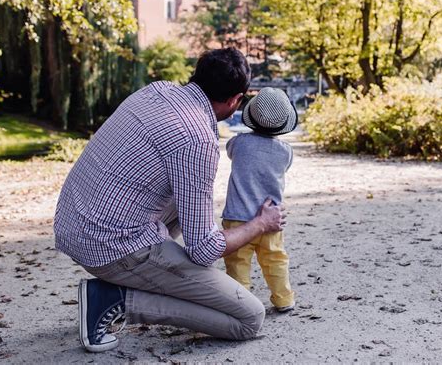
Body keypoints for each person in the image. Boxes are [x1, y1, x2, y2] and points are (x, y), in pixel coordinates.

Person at [53, 48, 286, 353]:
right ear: (235, 100)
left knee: (188, 195)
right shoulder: (198, 139)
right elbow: (205, 250)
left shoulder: (157, 90)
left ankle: (153, 274)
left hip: (74, 222)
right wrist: (259, 224)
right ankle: (114, 300)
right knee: (248, 317)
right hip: (110, 245)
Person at [222, 87, 298, 313]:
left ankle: (241, 304)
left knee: (237, 264)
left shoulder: (239, 143)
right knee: (275, 260)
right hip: (272, 219)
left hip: (237, 219)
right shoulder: (285, 151)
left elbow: (229, 151)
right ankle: (283, 299)